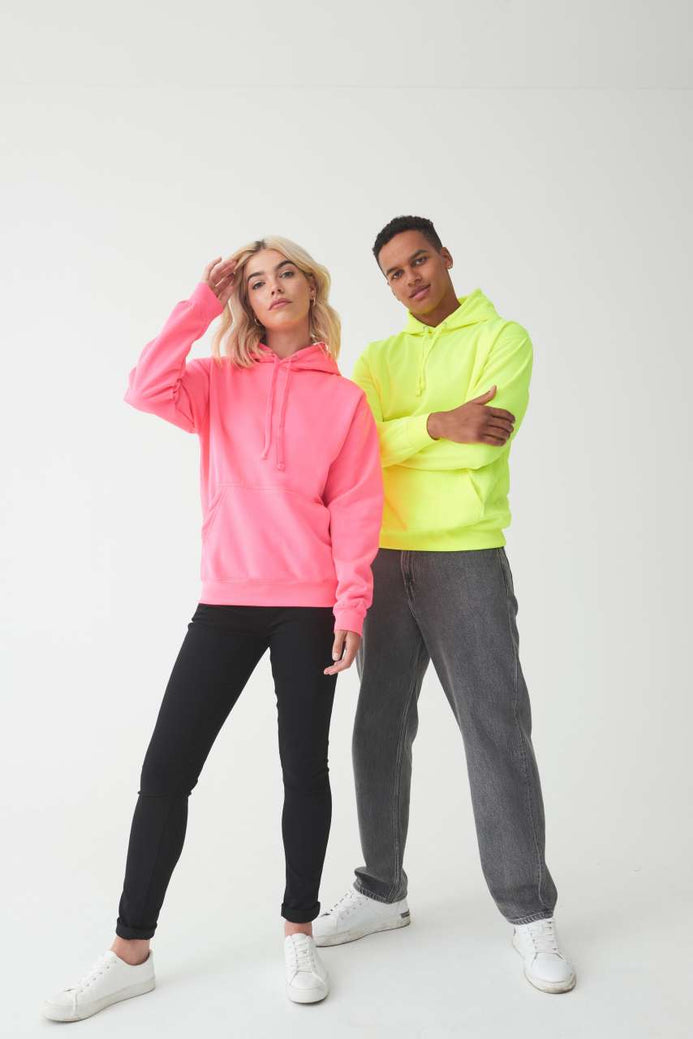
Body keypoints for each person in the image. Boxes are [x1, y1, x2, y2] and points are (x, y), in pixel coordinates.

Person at [42, 238, 384, 1021]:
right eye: (256, 281)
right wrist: (201, 300)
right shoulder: (216, 380)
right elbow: (143, 387)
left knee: (304, 770)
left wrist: (351, 605)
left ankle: (298, 930)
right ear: (245, 300)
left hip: (309, 606)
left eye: (286, 273)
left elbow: (357, 504)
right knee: (166, 770)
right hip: (226, 600)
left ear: (310, 286)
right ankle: (130, 952)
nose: (274, 288)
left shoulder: (344, 400)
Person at [314, 215, 576, 995]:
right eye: (394, 272)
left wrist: (403, 438)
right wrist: (436, 423)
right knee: (377, 728)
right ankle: (380, 890)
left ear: (444, 256)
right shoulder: (377, 357)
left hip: (464, 558)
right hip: (380, 557)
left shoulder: (502, 339)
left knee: (494, 728)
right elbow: (350, 451)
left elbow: (482, 445)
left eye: (419, 260)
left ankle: (528, 910)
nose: (410, 279)